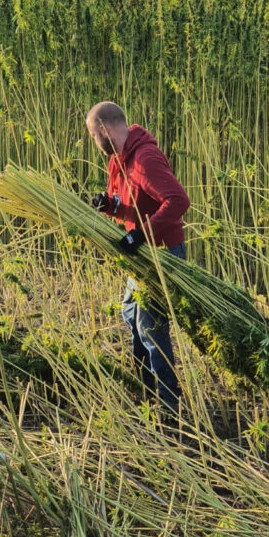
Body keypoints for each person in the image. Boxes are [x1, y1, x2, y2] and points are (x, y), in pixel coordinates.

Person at [86, 101, 190, 417]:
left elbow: (178, 201)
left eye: (93, 136)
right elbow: (137, 204)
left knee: (150, 327)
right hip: (143, 253)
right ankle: (146, 396)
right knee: (131, 315)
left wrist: (141, 234)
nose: (94, 143)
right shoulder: (121, 161)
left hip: (162, 254)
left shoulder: (144, 158)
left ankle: (170, 409)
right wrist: (111, 206)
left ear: (104, 130)